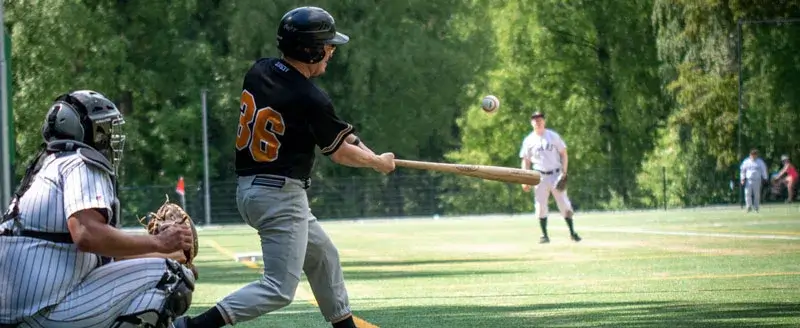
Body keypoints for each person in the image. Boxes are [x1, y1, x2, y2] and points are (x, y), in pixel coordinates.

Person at [173, 6, 395, 328]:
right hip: (280, 196)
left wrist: (375, 156)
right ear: (311, 49)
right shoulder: (311, 98)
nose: (331, 51)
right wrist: (377, 163)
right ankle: (191, 327)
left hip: (253, 191)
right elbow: (340, 152)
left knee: (323, 256)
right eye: (327, 45)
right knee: (278, 289)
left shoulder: (260, 71)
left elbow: (340, 135)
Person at [0, 90, 196, 327]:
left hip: (16, 310)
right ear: (87, 131)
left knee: (172, 269)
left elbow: (105, 254)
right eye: (104, 128)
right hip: (44, 312)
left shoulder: (46, 167)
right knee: (174, 277)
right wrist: (160, 244)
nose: (110, 136)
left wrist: (163, 250)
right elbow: (87, 234)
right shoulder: (82, 162)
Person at [519, 111, 581, 244]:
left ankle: (572, 232)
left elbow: (564, 153)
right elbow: (525, 160)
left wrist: (564, 172)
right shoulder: (529, 140)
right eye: (535, 119)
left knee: (564, 204)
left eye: (540, 119)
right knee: (541, 206)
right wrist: (524, 179)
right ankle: (544, 235)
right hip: (539, 176)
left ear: (544, 121)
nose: (538, 121)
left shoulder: (553, 136)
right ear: (531, 122)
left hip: (555, 174)